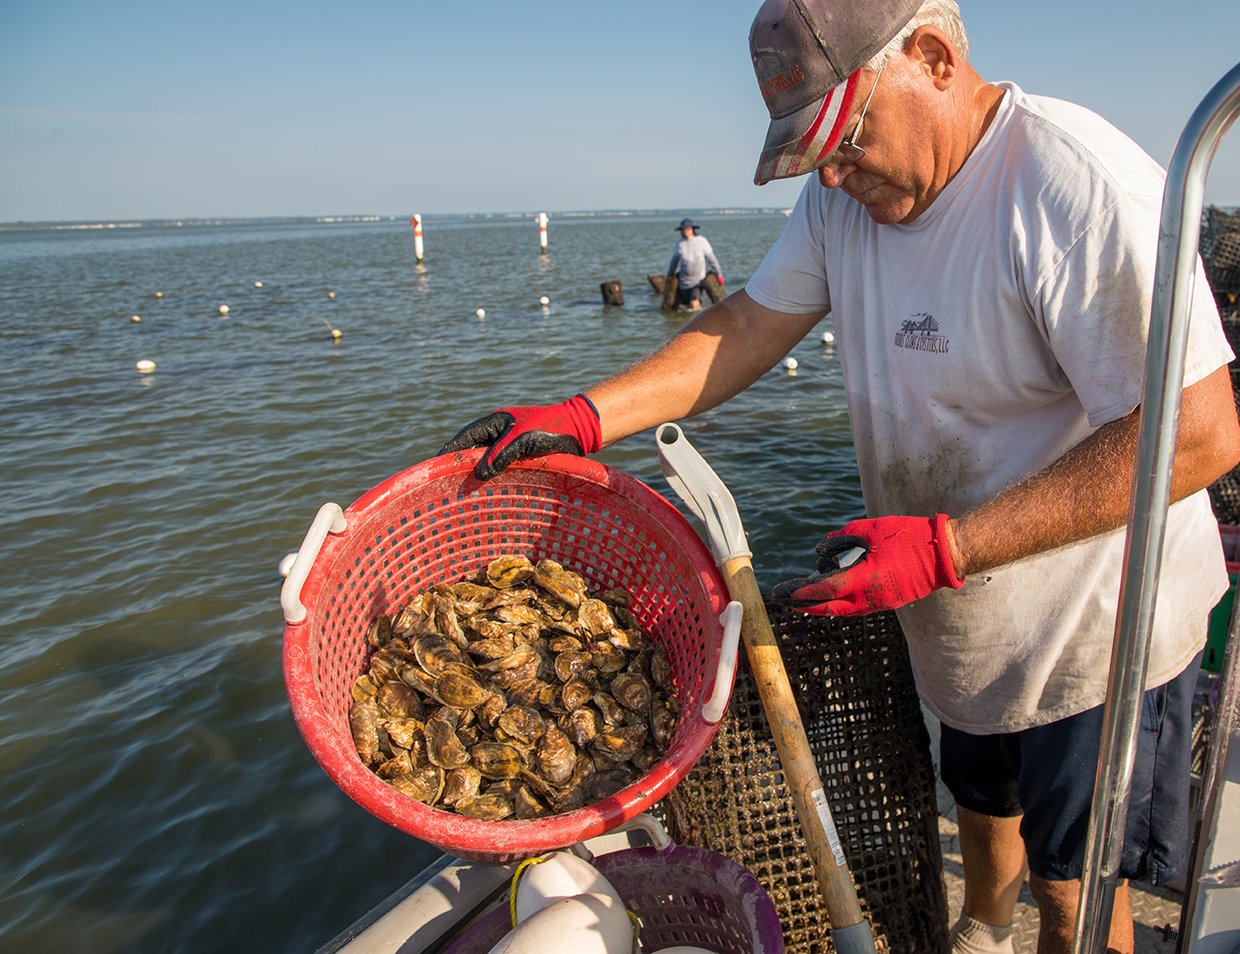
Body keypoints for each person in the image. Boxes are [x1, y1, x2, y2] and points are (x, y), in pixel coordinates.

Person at [439, 1, 1240, 951]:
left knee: (1075, 880)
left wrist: (955, 545)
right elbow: (746, 327)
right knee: (981, 799)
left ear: (937, 57)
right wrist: (587, 415)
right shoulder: (842, 195)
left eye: (845, 136)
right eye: (813, 148)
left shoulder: (1072, 185)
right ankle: (983, 933)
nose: (830, 170)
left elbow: (1201, 434)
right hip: (963, 615)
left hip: (1098, 623)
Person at [666, 218, 724, 311]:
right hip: (683, 283)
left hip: (698, 281)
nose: (685, 231)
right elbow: (674, 262)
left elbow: (712, 260)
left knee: (693, 302)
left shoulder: (702, 241)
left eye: (687, 228)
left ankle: (698, 318)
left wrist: (719, 275)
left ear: (693, 229)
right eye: (683, 229)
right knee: (683, 306)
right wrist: (669, 276)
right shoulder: (680, 243)